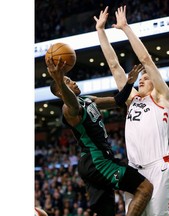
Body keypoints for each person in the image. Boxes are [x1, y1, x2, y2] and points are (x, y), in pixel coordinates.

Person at [94, 6, 169, 216]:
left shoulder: (162, 97)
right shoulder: (131, 100)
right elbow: (114, 66)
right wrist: (100, 31)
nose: (142, 79)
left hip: (158, 167)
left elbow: (147, 60)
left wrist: (125, 28)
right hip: (134, 171)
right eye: (141, 78)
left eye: (146, 78)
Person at [46, 56, 153, 216]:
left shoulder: (87, 100)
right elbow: (72, 105)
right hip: (97, 162)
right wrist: (60, 81)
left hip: (96, 162)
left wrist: (130, 82)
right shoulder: (68, 110)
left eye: (70, 80)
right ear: (61, 92)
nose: (73, 82)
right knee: (145, 188)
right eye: (68, 82)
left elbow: (117, 100)